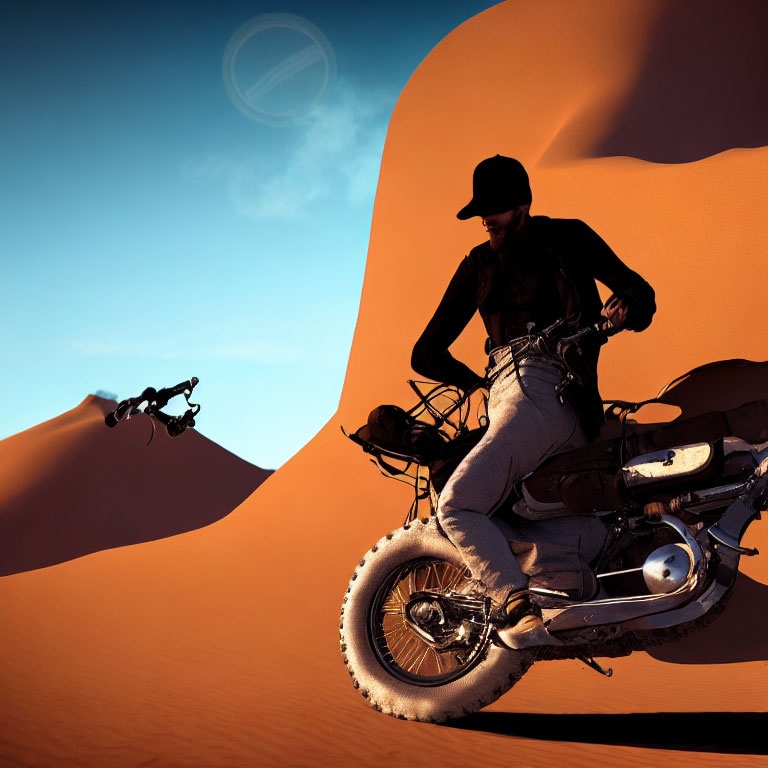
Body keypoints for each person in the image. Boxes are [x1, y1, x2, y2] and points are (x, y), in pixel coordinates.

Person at [411, 155, 656, 647]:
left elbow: (641, 293)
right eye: (482, 212)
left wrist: (626, 307)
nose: (486, 220)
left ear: (522, 206)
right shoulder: (477, 264)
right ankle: (566, 579)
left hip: (549, 389)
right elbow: (425, 353)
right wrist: (475, 384)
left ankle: (517, 611)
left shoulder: (568, 236)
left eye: (495, 210)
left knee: (458, 506)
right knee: (510, 511)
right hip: (507, 397)